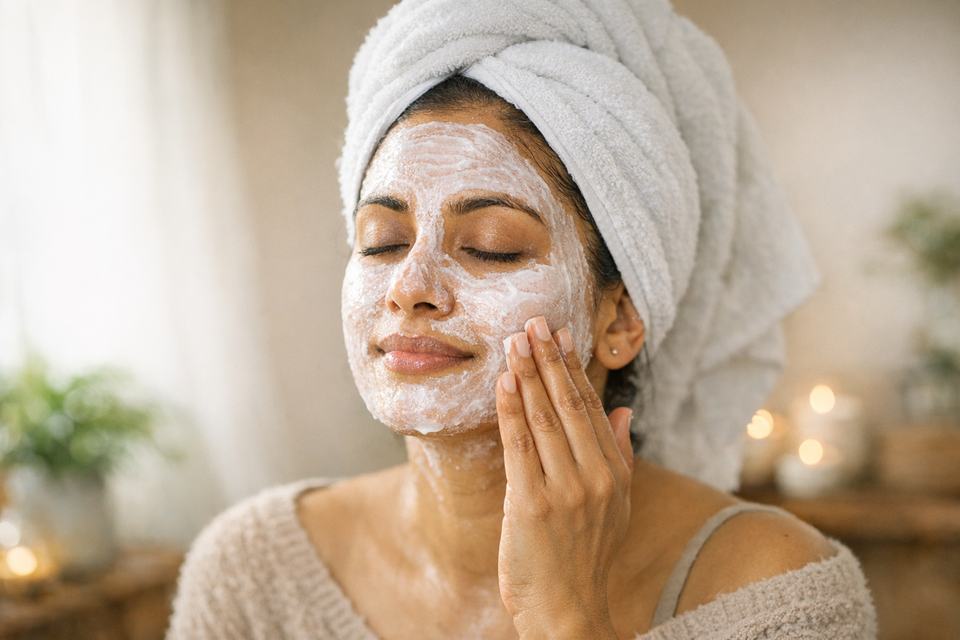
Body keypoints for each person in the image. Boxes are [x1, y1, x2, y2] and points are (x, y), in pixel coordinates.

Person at [167, 2, 877, 639]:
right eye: (381, 241)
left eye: (490, 247)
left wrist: (565, 617)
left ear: (621, 319)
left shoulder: (776, 592)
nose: (410, 287)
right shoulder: (254, 573)